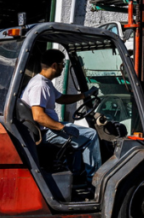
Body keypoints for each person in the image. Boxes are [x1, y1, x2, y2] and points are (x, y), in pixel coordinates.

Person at [20, 48, 101, 185]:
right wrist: (62, 127)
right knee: (91, 135)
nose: (63, 67)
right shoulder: (40, 85)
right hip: (45, 132)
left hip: (48, 128)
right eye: (62, 64)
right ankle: (94, 181)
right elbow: (38, 116)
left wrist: (84, 95)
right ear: (54, 65)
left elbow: (61, 99)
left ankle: (76, 175)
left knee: (79, 133)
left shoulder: (45, 82)